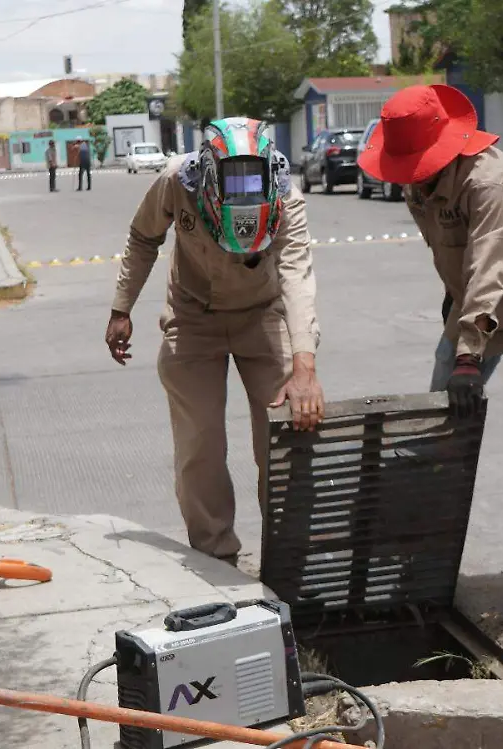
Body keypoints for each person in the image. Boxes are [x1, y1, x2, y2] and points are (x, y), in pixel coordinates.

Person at [357, 84, 503, 627]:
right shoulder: (417, 187)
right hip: (471, 312)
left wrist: (468, 359)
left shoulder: (493, 182)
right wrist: (458, 321)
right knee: (433, 429)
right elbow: (455, 262)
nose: (407, 174)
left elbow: (491, 267)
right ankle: (422, 564)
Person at [105, 117, 325, 565]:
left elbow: (296, 275)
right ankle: (216, 558)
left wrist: (305, 370)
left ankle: (290, 558)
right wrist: (121, 307)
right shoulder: (176, 180)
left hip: (262, 315)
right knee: (201, 442)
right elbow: (143, 236)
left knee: (286, 432)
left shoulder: (285, 195)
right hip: (193, 318)